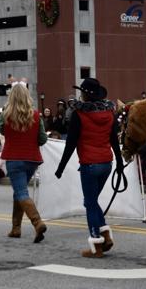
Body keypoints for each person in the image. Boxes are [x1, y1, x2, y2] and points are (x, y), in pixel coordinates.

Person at [54, 78, 122, 258]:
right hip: (107, 164)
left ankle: (97, 245)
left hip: (89, 164)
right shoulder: (109, 113)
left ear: (85, 94)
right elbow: (115, 140)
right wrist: (120, 165)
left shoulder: (79, 114)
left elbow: (71, 144)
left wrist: (60, 168)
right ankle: (105, 235)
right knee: (90, 201)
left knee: (90, 203)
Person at [0, 80, 48, 243]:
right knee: (19, 192)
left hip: (14, 158)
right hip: (32, 159)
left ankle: (37, 222)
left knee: (21, 192)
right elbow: (42, 139)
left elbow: (1, 131)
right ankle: (16, 228)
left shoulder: (5, 114)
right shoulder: (35, 115)